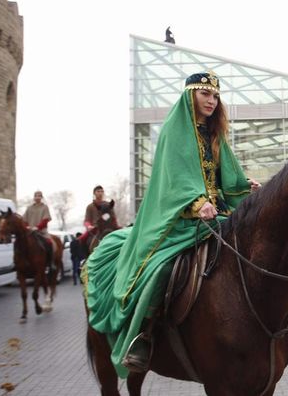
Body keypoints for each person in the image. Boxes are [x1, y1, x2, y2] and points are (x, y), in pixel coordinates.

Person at [84, 72, 260, 377]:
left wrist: (244, 186)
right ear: (190, 95)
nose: (211, 100)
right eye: (204, 93)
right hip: (178, 221)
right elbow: (173, 179)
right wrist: (195, 202)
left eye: (215, 96)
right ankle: (143, 337)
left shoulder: (214, 134)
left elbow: (226, 176)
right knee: (162, 270)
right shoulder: (174, 131)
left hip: (216, 218)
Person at [23, 191, 53, 265]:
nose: (37, 197)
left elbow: (45, 219)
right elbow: (24, 219)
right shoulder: (29, 208)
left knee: (49, 243)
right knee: (20, 243)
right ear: (34, 197)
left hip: (41, 231)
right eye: (36, 196)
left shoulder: (45, 207)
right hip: (30, 231)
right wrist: (27, 226)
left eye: (39, 196)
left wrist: (37, 227)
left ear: (41, 197)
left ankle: (51, 263)